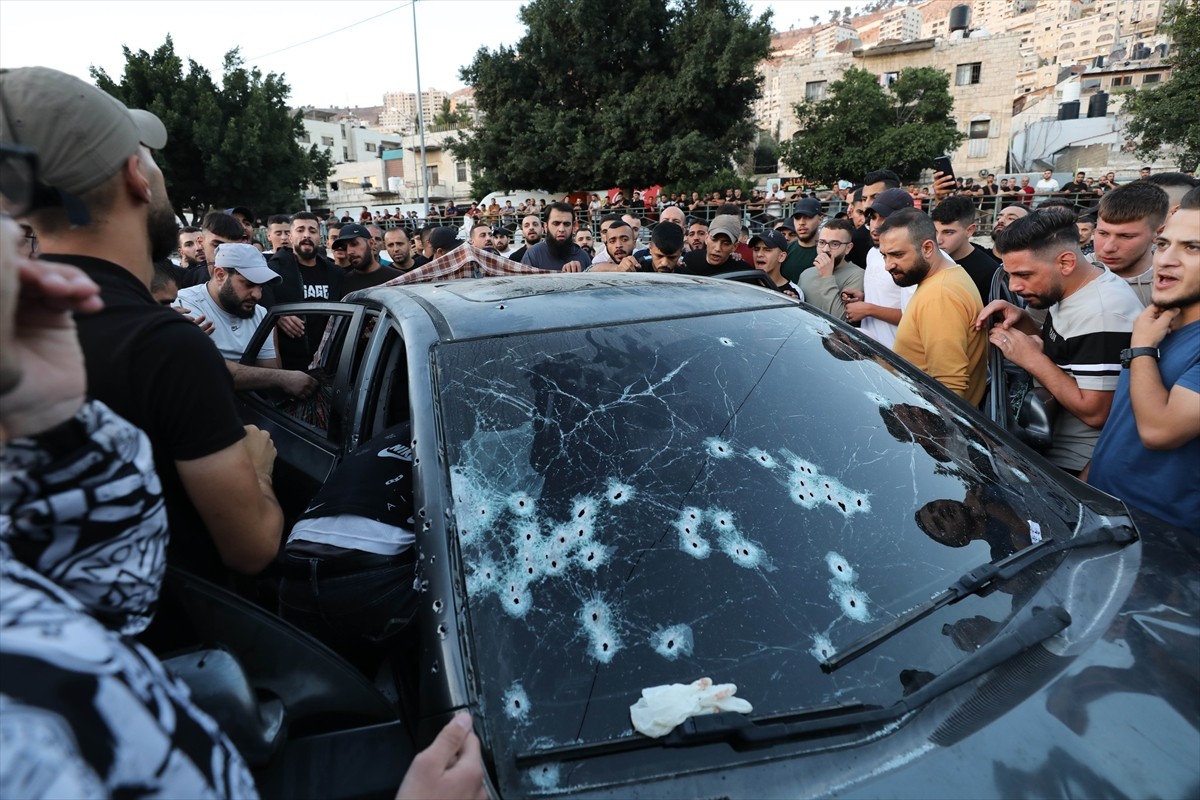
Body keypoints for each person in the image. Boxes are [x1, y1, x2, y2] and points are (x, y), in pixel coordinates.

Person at [3, 66, 283, 580]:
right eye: (152, 162)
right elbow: (252, 548)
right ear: (137, 178)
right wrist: (259, 471)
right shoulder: (165, 348)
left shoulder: (15, 328)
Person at [976, 207, 1144, 475]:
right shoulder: (1077, 285)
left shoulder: (1101, 313)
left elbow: (1096, 412)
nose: (1016, 286)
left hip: (1076, 465)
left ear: (1066, 262)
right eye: (1011, 276)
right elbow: (1066, 354)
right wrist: (1021, 319)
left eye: (1025, 275)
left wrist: (1031, 360)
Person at [1087, 205, 1200, 533]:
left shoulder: (1146, 336)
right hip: (1106, 514)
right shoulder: (1158, 324)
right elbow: (1124, 424)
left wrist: (1141, 349)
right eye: (1163, 244)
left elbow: (1158, 432)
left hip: (1162, 543)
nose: (1165, 259)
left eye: (1192, 247)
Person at [879, 209, 987, 405]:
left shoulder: (940, 296)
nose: (888, 265)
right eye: (884, 255)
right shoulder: (944, 279)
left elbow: (949, 386)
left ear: (928, 248)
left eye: (897, 255)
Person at [843, 188, 916, 348]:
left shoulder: (914, 261)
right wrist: (864, 298)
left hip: (898, 358)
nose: (875, 226)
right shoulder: (872, 253)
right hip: (870, 353)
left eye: (884, 218)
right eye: (873, 217)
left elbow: (914, 318)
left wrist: (869, 309)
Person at [1094, 181, 1169, 306]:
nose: (1108, 248)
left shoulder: (1177, 286)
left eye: (1126, 236)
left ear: (1159, 233)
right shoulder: (1071, 273)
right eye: (1103, 233)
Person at [930, 194, 1001, 302]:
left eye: (948, 232)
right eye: (935, 231)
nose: (938, 240)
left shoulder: (989, 272)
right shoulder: (928, 259)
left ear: (970, 230)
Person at [798, 218, 862, 322]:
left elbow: (842, 320)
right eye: (822, 242)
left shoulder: (857, 275)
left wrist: (826, 277)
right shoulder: (806, 274)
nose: (825, 249)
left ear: (848, 248)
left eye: (835, 244)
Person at [520, 202, 591, 272]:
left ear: (573, 227)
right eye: (556, 224)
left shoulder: (583, 256)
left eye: (567, 224)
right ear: (546, 227)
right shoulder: (533, 254)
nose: (561, 229)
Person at [337, 223, 403, 294]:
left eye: (354, 244)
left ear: (371, 243)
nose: (349, 252)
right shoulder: (342, 284)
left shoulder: (397, 279)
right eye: (344, 247)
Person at [678, 215, 745, 276]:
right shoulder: (690, 259)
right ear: (706, 238)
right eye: (714, 240)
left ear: (735, 246)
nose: (717, 248)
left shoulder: (743, 273)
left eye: (726, 243)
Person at [748, 229, 802, 299]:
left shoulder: (794, 292)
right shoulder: (744, 284)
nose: (759, 254)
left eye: (767, 250)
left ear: (781, 256)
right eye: (756, 249)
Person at [780, 198, 823, 282]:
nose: (801, 222)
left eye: (807, 217)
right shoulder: (784, 251)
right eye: (797, 218)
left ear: (820, 219)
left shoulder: (829, 252)